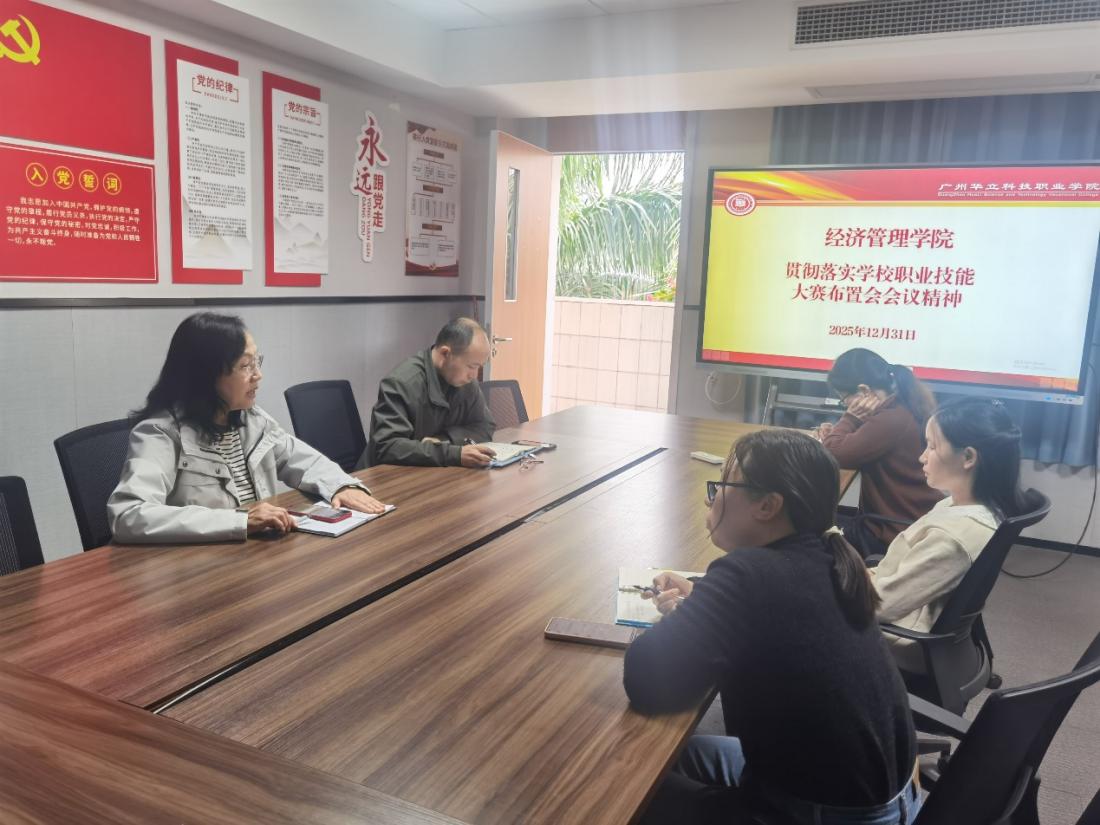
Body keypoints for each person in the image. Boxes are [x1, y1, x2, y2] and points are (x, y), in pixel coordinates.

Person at [624, 429, 919, 825]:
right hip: (884, 796)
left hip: (822, 813)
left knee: (622, 780)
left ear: (767, 505)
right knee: (678, 755)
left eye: (722, 485)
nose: (711, 498)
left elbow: (647, 683)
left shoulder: (748, 574)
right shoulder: (830, 557)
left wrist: (685, 616)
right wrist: (703, 601)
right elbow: (775, 614)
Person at [108, 312, 386, 544]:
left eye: (256, 362)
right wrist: (239, 521)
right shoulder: (162, 434)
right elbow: (128, 515)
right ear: (206, 376)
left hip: (254, 559)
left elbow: (306, 461)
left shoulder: (251, 420)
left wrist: (341, 487)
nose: (258, 375)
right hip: (195, 574)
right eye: (245, 365)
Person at [871, 396, 1025, 672]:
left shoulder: (953, 537)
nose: (922, 457)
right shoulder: (963, 506)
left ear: (968, 457)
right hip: (905, 611)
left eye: (931, 446)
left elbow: (881, 606)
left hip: (899, 642)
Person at [818, 348, 943, 558]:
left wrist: (849, 419)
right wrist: (839, 434)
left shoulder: (891, 419)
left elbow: (832, 455)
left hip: (890, 532)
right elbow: (851, 444)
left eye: (843, 399)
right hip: (909, 519)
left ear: (864, 390)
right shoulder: (902, 406)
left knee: (810, 528)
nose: (845, 405)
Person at [360, 317, 497, 468]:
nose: (474, 375)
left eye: (479, 367)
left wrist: (444, 440)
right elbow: (389, 446)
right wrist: (453, 454)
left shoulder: (466, 383)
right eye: (471, 366)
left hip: (432, 472)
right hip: (384, 476)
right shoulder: (401, 383)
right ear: (445, 353)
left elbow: (485, 426)